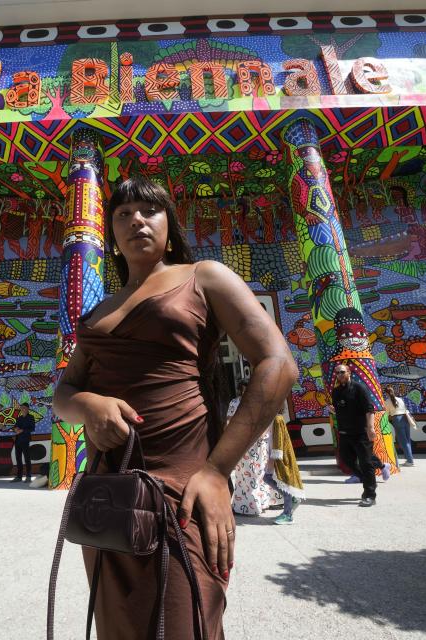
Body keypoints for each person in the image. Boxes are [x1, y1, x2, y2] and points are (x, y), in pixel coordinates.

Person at [53, 176, 297, 639]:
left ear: (170, 223)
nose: (136, 220)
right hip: (110, 499)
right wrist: (89, 405)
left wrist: (216, 471)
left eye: (150, 210)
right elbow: (63, 393)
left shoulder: (203, 276)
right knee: (119, 626)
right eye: (123, 214)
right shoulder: (98, 312)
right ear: (111, 232)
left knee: (187, 621)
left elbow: (278, 364)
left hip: (184, 490)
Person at [330, 363, 379, 507]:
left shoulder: (359, 388)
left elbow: (369, 409)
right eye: (337, 373)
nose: (339, 375)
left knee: (366, 462)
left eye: (342, 372)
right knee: (347, 460)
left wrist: (370, 428)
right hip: (345, 432)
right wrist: (333, 410)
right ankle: (367, 480)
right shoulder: (337, 391)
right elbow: (340, 409)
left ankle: (369, 494)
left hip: (361, 433)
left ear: (349, 372)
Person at [230, 381, 280, 516]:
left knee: (259, 473)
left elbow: (268, 423)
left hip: (258, 444)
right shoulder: (235, 403)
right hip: (242, 445)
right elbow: (229, 423)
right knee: (244, 475)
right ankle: (246, 505)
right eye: (244, 390)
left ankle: (260, 502)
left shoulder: (261, 403)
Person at [264, 415, 305, 525]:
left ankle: (288, 514)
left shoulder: (277, 419)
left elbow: (278, 440)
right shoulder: (275, 418)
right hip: (277, 455)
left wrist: (273, 459)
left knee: (283, 483)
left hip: (280, 457)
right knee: (270, 479)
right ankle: (293, 501)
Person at [384, 386, 415, 466]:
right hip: (405, 418)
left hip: (397, 419)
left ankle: (410, 461)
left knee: (403, 441)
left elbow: (386, 414)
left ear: (386, 393)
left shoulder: (387, 401)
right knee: (407, 440)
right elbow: (405, 408)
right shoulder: (400, 399)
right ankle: (410, 459)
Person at [11, 402, 35, 482]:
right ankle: (19, 476)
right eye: (21, 408)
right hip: (18, 440)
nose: (22, 409)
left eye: (24, 408)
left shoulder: (31, 417)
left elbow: (32, 428)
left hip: (25, 440)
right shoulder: (19, 418)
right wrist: (15, 429)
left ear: (27, 409)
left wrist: (22, 430)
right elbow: (15, 426)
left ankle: (28, 476)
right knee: (18, 458)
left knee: (27, 458)